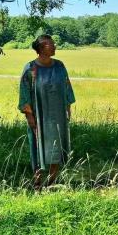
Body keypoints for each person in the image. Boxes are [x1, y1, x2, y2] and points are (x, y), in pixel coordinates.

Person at [18, 35, 75, 189]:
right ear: (42, 48)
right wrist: (29, 115)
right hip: (39, 115)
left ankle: (52, 182)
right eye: (51, 44)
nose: (55, 46)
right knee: (37, 146)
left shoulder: (59, 66)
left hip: (58, 115)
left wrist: (68, 107)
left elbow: (66, 86)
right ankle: (37, 182)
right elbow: (24, 94)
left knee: (56, 146)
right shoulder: (30, 69)